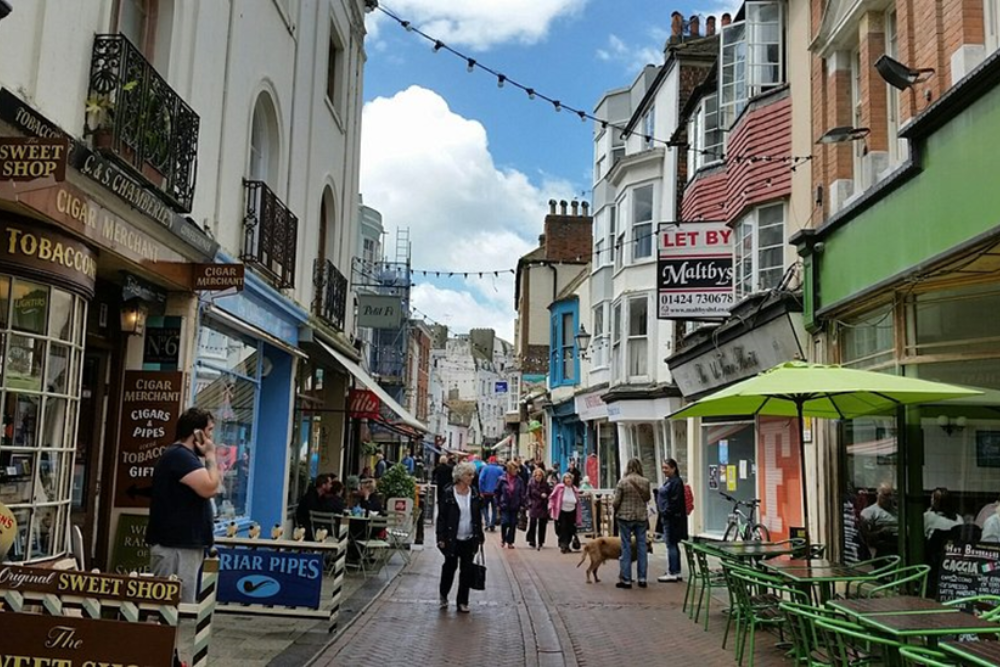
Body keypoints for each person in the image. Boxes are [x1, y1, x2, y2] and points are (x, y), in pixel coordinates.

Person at [146, 407, 220, 603]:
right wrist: (211, 456)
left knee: (178, 609)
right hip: (176, 548)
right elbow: (210, 487)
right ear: (197, 433)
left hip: (182, 545)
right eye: (209, 430)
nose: (211, 437)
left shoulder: (184, 457)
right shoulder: (180, 456)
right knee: (172, 607)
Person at [437, 461, 485, 613]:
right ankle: (444, 594)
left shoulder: (475, 493)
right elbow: (442, 517)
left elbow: (477, 516)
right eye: (468, 474)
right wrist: (441, 537)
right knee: (449, 568)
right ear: (460, 476)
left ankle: (462, 602)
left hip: (469, 538)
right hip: (452, 538)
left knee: (467, 571)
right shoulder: (449, 493)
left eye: (472, 474)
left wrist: (480, 535)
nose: (471, 477)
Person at [613, 457, 651, 589]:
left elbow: (616, 501)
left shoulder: (622, 482)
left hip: (624, 517)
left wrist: (616, 509)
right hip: (640, 517)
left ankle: (626, 579)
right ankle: (642, 578)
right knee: (642, 547)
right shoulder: (645, 482)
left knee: (626, 546)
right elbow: (647, 498)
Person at [657, 459, 688, 583]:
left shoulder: (676, 482)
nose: (664, 470)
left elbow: (675, 501)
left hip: (672, 519)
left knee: (671, 544)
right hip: (669, 518)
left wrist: (666, 512)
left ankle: (673, 572)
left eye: (666, 468)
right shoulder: (670, 481)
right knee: (672, 544)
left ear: (674, 468)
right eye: (663, 468)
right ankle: (676, 570)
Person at [860, 482, 899, 556]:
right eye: (886, 495)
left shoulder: (898, 512)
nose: (889, 498)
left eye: (891, 495)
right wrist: (881, 533)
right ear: (877, 495)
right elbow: (865, 537)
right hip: (882, 550)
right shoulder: (869, 512)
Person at [295, 473, 337, 541]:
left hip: (314, 528)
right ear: (323, 485)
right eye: (329, 483)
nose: (331, 486)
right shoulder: (310, 498)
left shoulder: (320, 497)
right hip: (308, 530)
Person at [548, 472, 582, 554]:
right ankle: (563, 545)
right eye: (566, 478)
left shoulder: (574, 489)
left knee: (571, 529)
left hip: (572, 511)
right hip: (562, 511)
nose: (568, 480)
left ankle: (567, 544)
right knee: (562, 528)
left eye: (570, 478)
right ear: (564, 480)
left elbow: (577, 500)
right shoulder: (559, 488)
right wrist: (550, 506)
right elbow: (552, 497)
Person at [497, 461, 527, 548]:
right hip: (504, 504)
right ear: (509, 469)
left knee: (513, 523)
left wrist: (523, 503)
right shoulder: (501, 479)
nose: (517, 470)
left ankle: (510, 542)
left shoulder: (519, 480)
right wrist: (498, 503)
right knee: (505, 522)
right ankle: (503, 538)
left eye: (517, 469)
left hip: (515, 504)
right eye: (515, 469)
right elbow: (497, 492)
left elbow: (522, 492)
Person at [526, 467, 552, 550]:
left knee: (542, 524)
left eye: (540, 475)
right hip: (534, 505)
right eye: (536, 475)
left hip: (542, 505)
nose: (538, 477)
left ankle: (541, 541)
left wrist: (546, 496)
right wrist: (529, 503)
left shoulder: (545, 484)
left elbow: (550, 493)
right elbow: (527, 495)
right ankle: (531, 540)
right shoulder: (531, 484)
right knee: (532, 523)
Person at [478, 456, 504, 531]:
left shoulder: (485, 469)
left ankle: (487, 522)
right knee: (494, 509)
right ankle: (492, 524)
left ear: (489, 461)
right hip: (496, 493)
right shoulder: (500, 469)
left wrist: (481, 491)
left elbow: (480, 480)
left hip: (486, 492)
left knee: (484, 507)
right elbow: (503, 480)